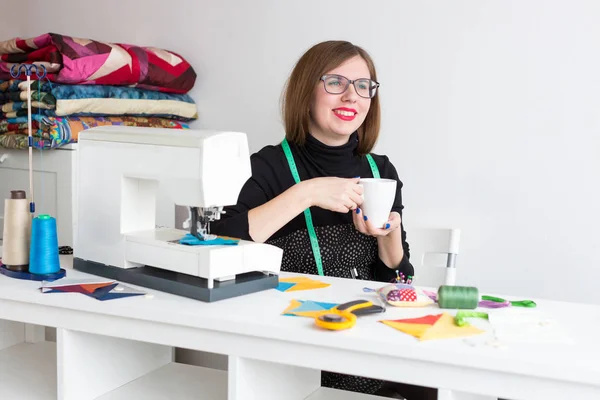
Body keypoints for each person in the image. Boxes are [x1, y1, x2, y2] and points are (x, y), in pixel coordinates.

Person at [211, 40, 417, 397]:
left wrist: (389, 237)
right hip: (285, 350)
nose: (352, 96)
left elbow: (400, 282)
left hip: (366, 347)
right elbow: (219, 245)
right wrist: (305, 194)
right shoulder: (266, 167)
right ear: (306, 93)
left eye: (363, 86)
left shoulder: (380, 172)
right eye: (336, 82)